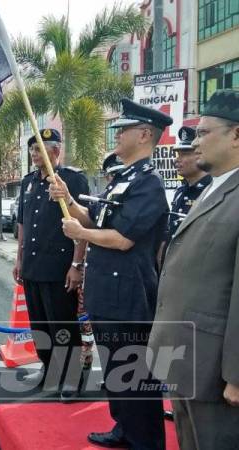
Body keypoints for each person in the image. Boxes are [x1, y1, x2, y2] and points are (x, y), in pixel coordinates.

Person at [49, 98, 172, 449]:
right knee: (116, 374)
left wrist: (81, 235)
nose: (116, 135)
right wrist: (68, 199)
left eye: (124, 129)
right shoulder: (121, 179)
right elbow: (94, 219)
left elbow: (122, 239)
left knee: (133, 375)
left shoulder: (148, 184)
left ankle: (145, 441)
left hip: (129, 296)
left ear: (145, 135)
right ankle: (124, 429)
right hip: (107, 293)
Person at [149, 89, 239, 450]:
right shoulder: (213, 187)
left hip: (215, 371)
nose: (195, 142)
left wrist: (236, 375)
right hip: (188, 358)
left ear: (236, 135)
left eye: (204, 133)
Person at [12, 129, 89, 399]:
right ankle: (47, 369)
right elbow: (22, 223)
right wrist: (19, 259)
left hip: (59, 268)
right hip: (32, 266)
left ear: (56, 151)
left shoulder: (72, 180)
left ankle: (70, 378)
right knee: (39, 325)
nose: (35, 154)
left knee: (62, 326)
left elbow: (82, 226)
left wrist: (77, 264)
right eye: (32, 149)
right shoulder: (28, 182)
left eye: (40, 149)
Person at [158, 126, 211, 267]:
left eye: (184, 154)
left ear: (200, 154)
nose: (177, 160)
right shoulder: (181, 190)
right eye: (177, 154)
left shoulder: (211, 191)